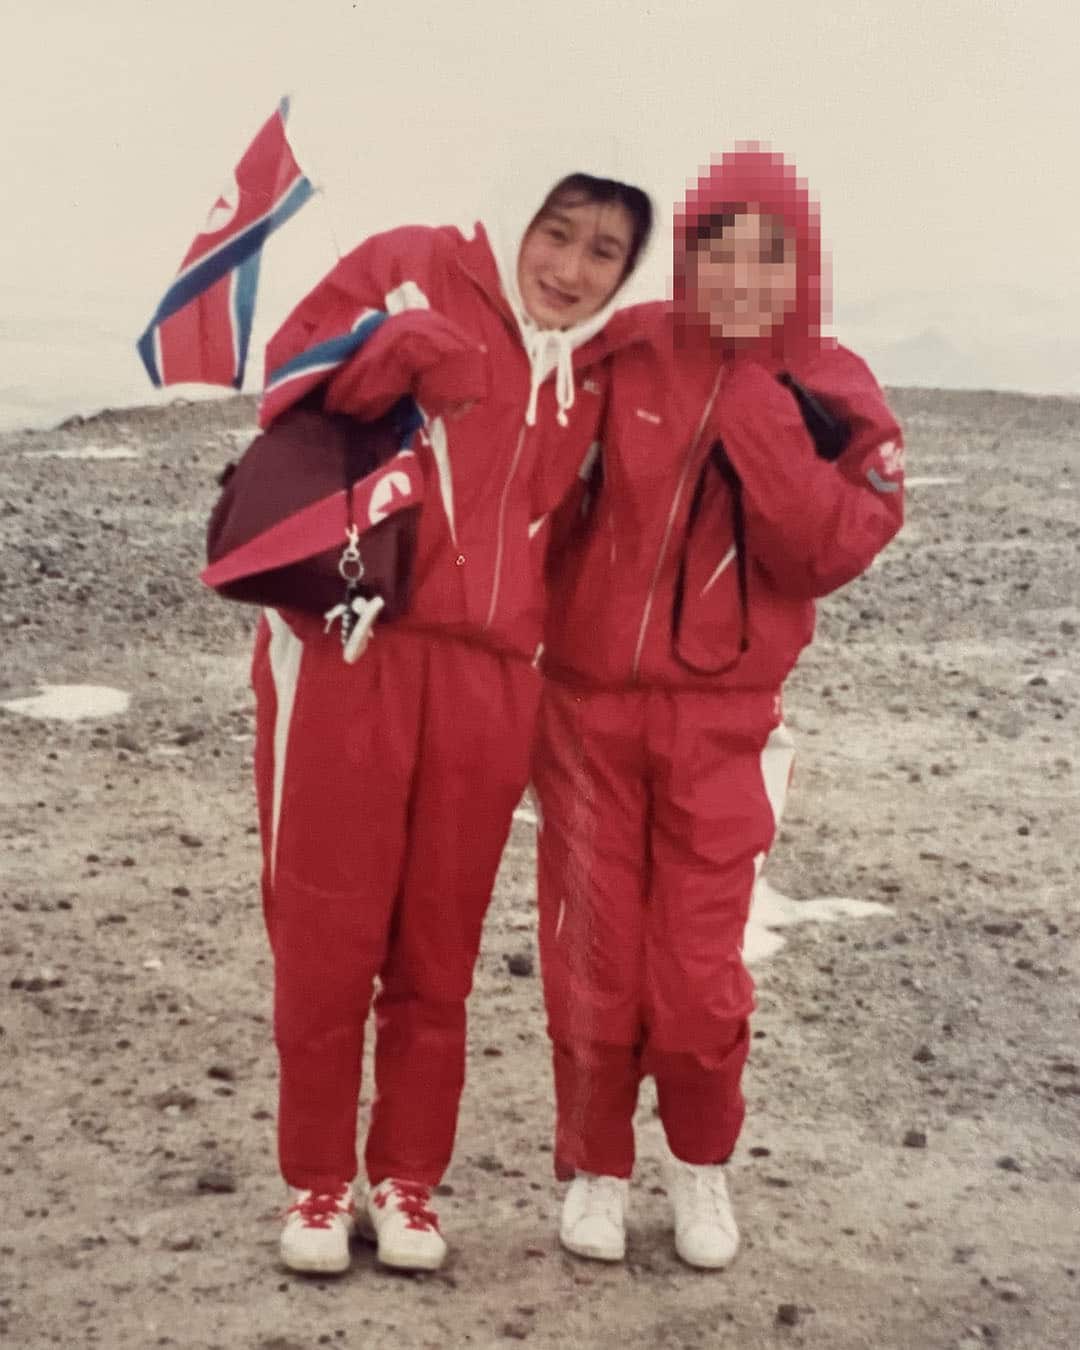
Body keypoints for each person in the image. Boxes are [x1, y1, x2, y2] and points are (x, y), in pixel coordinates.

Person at [250, 169, 653, 1276]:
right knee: (328, 932)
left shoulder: (594, 379)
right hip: (352, 650)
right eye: (556, 233)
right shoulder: (414, 262)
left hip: (490, 687)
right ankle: (319, 1182)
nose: (569, 269)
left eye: (603, 253)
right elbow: (281, 376)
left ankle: (409, 1181)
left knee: (441, 943)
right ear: (519, 210)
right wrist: (395, 358)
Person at [533, 146, 904, 1269]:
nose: (741, 279)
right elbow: (528, 458)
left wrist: (761, 412)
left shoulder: (836, 391)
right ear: (686, 257)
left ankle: (702, 1168)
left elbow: (825, 551)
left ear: (805, 270)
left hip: (725, 727)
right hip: (586, 714)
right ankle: (597, 1167)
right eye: (718, 252)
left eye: (769, 258)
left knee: (697, 976)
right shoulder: (630, 347)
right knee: (592, 960)